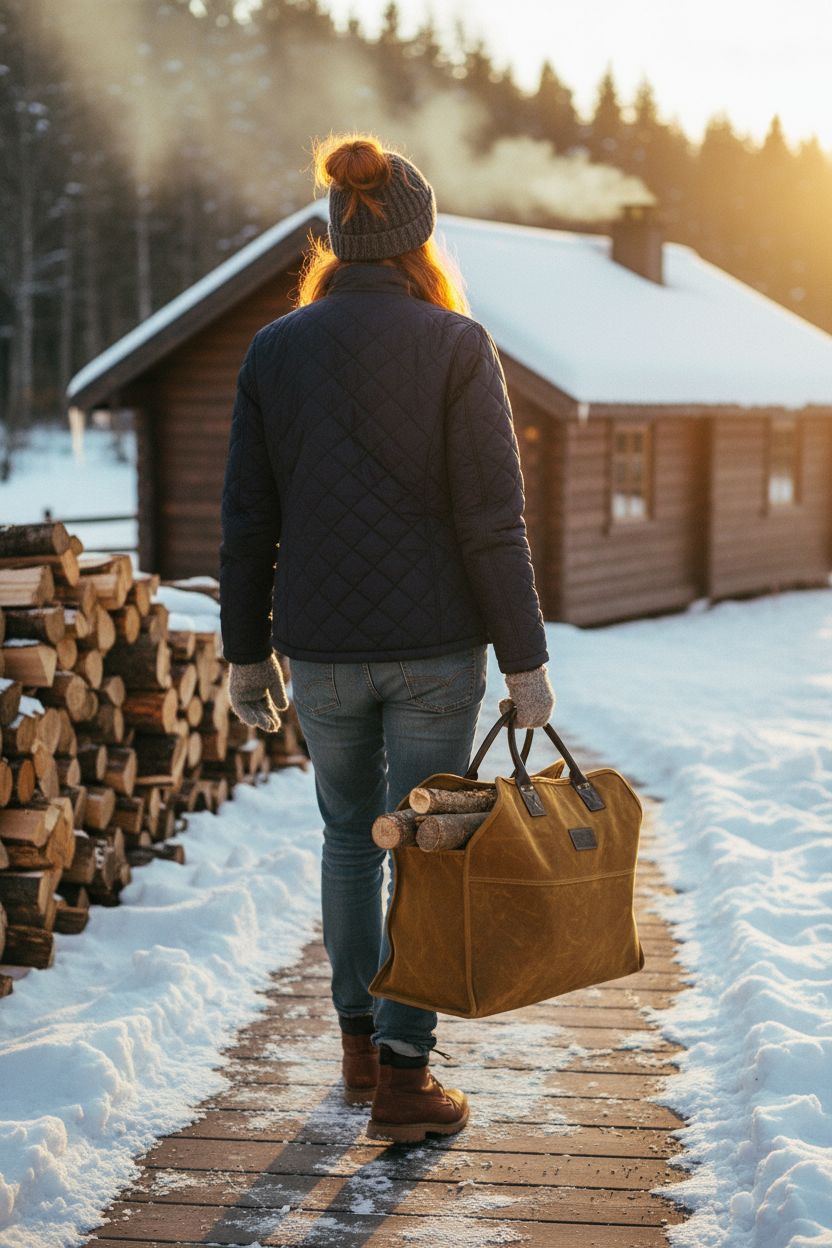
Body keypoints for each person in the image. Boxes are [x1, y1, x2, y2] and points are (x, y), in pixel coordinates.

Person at [218, 132, 555, 1143]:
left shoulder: (274, 350)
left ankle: (358, 1050)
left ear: (337, 239)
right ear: (420, 240)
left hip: (319, 652)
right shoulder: (456, 344)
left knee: (346, 840)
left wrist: (244, 652)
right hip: (436, 653)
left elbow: (247, 522)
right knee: (428, 850)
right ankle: (408, 1081)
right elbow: (492, 522)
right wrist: (527, 663)